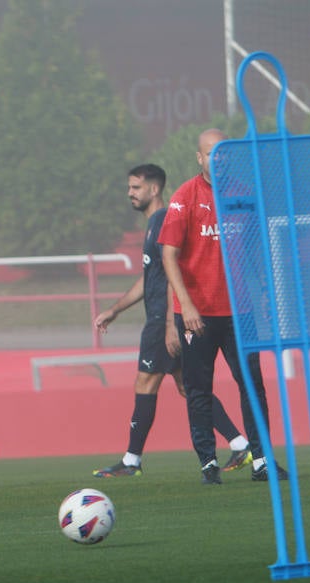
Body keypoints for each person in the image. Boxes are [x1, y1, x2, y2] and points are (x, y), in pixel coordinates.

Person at [92, 163, 251, 478]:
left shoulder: (164, 219)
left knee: (147, 381)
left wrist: (168, 326)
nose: (130, 194)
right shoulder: (154, 224)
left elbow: (169, 277)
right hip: (162, 318)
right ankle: (239, 443)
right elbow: (149, 277)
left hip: (163, 321)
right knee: (187, 387)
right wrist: (116, 309)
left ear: (154, 189)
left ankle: (131, 460)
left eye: (135, 188)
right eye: (129, 188)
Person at [160, 129, 285, 485]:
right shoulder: (184, 197)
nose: (220, 159)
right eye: (212, 153)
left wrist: (265, 292)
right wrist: (186, 305)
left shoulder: (245, 195)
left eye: (225, 153)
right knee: (199, 388)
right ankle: (208, 464)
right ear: (200, 158)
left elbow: (256, 250)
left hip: (240, 314)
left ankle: (262, 460)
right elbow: (168, 254)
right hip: (196, 314)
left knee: (253, 386)